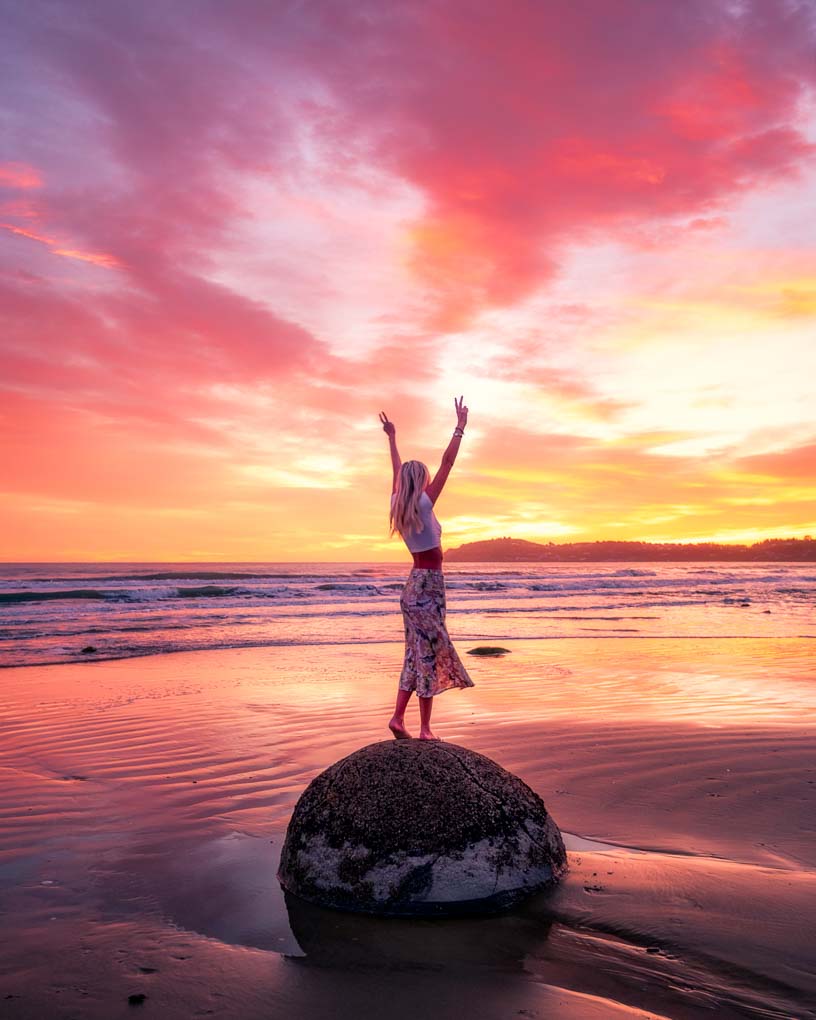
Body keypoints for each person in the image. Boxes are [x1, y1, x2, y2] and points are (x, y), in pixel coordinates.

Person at [379, 397, 475, 741]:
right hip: (429, 586)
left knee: (414, 654)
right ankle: (424, 729)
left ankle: (398, 718)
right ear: (419, 480)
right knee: (430, 655)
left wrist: (392, 439)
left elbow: (396, 472)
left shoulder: (398, 503)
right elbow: (448, 462)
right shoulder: (421, 501)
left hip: (412, 587)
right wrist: (460, 427)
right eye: (426, 477)